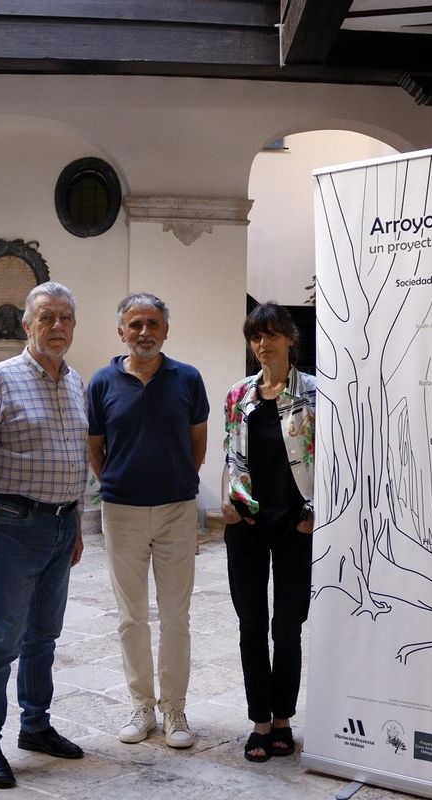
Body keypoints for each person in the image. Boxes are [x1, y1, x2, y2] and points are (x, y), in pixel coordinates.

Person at [0, 281, 88, 789]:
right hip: (11, 524)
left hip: (59, 524)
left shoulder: (75, 382)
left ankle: (36, 725)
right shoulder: (0, 380)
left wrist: (74, 525)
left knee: (44, 636)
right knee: (2, 638)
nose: (57, 326)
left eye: (66, 318)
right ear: (27, 325)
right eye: (47, 317)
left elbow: (75, 460)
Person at [87, 293, 209, 749]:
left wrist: (177, 483)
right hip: (122, 512)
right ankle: (142, 705)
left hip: (177, 510)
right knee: (130, 616)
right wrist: (120, 485)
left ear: (165, 330)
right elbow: (95, 448)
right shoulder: (102, 382)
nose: (144, 332)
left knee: (177, 615)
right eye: (135, 324)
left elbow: (198, 444)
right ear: (121, 332)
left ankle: (174, 708)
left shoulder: (188, 379)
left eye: (152, 323)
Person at [220, 302, 316, 763]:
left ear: (290, 339)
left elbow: (334, 460)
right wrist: (230, 500)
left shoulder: (316, 394)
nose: (264, 344)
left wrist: (311, 514)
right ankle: (260, 720)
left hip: (296, 525)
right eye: (256, 336)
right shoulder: (239, 395)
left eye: (272, 334)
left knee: (289, 624)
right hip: (248, 524)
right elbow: (232, 456)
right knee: (251, 623)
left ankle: (284, 719)